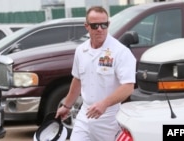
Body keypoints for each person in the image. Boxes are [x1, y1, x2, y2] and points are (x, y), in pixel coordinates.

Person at [55, 6, 136, 141]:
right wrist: (67, 105)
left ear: (108, 24)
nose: (100, 29)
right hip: (85, 114)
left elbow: (128, 87)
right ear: (86, 26)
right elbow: (78, 80)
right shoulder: (81, 51)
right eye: (95, 25)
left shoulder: (120, 52)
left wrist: (104, 104)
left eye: (104, 25)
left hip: (110, 118)